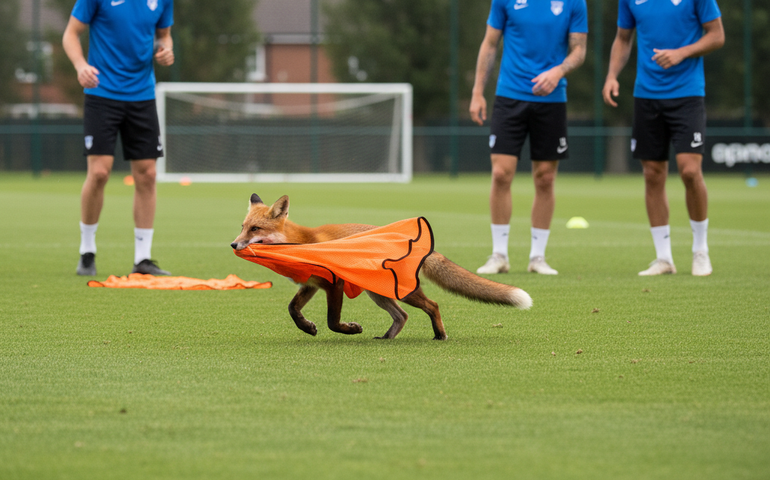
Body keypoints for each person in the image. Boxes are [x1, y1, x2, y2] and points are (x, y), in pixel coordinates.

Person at [602, 0, 724, 276]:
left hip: (688, 94)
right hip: (646, 95)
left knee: (690, 171)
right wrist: (612, 75)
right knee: (652, 173)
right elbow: (623, 38)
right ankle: (664, 258)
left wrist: (682, 53)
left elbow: (717, 35)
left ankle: (700, 250)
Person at [470, 0, 588, 275]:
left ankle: (538, 257)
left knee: (545, 177)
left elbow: (579, 49)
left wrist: (558, 71)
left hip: (552, 98)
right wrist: (477, 91)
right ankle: (499, 255)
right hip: (509, 96)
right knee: (501, 173)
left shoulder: (574, 3)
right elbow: (489, 43)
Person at [63, 0, 175, 276]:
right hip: (102, 94)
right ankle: (87, 251)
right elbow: (70, 34)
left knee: (147, 174)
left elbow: (164, 36)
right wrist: (80, 66)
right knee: (99, 173)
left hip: (142, 96)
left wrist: (166, 49)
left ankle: (143, 259)